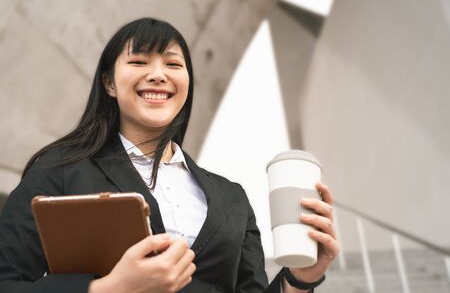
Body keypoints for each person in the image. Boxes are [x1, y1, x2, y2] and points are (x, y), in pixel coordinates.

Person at [0, 17, 339, 293]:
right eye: (139, 61)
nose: (158, 74)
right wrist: (108, 289)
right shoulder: (61, 169)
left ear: (187, 82)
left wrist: (300, 277)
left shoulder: (232, 198)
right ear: (109, 84)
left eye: (173, 63)